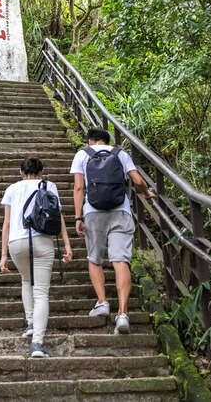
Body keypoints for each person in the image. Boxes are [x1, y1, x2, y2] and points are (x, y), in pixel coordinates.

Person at [71, 128, 157, 334]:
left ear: (90, 141)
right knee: (120, 260)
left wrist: (77, 217)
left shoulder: (83, 154)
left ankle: (102, 302)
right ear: (106, 140)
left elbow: (78, 188)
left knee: (94, 258)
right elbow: (137, 181)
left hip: (93, 212)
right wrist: (146, 194)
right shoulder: (121, 153)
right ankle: (123, 314)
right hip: (121, 211)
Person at [0, 157, 73, 358]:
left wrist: (3, 254)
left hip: (16, 243)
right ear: (42, 172)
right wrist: (67, 244)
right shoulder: (50, 186)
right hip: (43, 241)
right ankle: (37, 344)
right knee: (41, 292)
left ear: (20, 172)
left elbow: (6, 223)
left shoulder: (12, 189)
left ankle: (31, 322)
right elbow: (58, 217)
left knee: (25, 280)